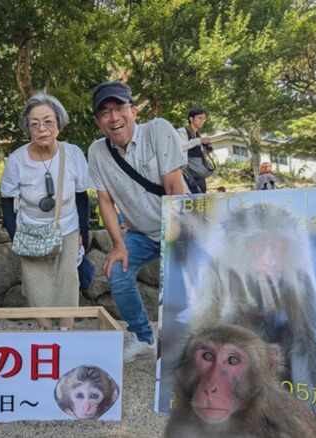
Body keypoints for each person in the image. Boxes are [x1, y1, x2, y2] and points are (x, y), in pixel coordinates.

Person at [87, 82, 187, 362]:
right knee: (117, 271)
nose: (114, 118)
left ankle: (189, 345)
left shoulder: (158, 130)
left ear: (133, 110)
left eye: (119, 108)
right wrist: (118, 244)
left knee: (189, 283)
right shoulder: (97, 152)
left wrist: (179, 241)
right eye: (105, 113)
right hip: (141, 232)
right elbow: (105, 201)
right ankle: (143, 338)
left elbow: (173, 188)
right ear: (98, 122)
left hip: (179, 225)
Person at [0, 92, 90, 331]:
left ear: (59, 122)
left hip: (67, 228)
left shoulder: (73, 154)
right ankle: (46, 333)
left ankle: (66, 333)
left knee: (68, 282)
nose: (42, 129)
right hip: (30, 230)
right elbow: (7, 199)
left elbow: (81, 196)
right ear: (27, 128)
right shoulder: (17, 160)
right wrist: (14, 233)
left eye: (48, 121)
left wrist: (84, 233)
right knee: (36, 287)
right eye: (34, 123)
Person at [176, 108, 213, 193]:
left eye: (204, 119)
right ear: (191, 119)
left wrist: (205, 152)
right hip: (186, 173)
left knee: (201, 194)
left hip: (197, 173)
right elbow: (180, 147)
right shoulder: (182, 131)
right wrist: (199, 141)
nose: (202, 121)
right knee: (190, 196)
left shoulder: (197, 135)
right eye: (200, 118)